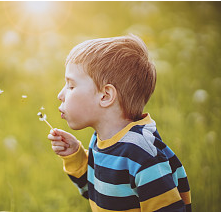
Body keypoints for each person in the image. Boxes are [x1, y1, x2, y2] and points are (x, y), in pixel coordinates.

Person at [47, 34, 191, 211]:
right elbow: (98, 193)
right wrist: (76, 156)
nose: (60, 95)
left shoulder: (142, 155)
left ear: (105, 96)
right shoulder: (104, 140)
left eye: (71, 85)